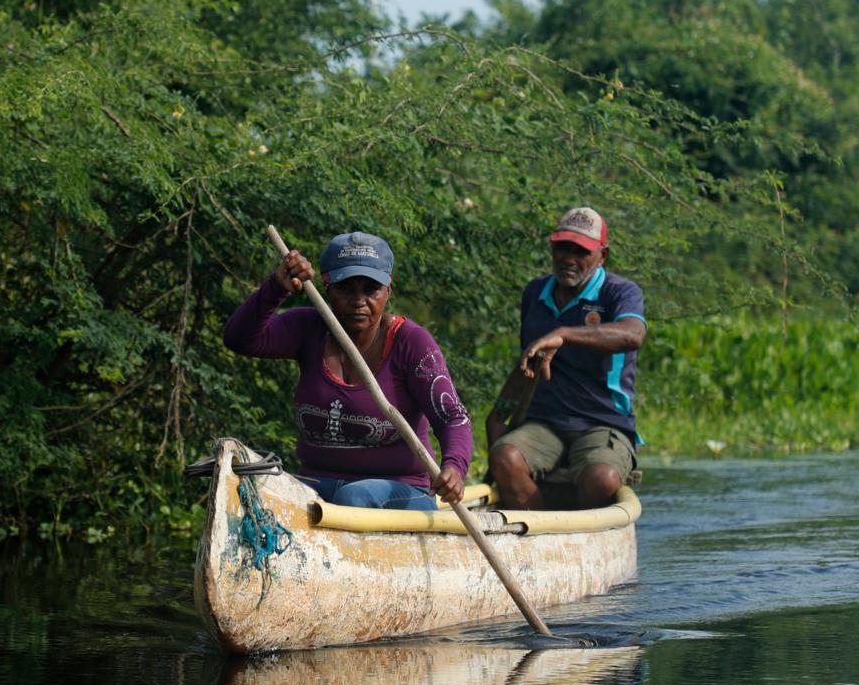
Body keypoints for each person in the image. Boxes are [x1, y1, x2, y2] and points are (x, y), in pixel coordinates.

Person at [224, 231, 472, 510]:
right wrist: (275, 288)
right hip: (317, 485)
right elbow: (238, 339)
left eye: (370, 290)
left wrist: (454, 467)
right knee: (253, 489)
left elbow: (452, 417)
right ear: (327, 288)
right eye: (346, 289)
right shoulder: (308, 329)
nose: (358, 301)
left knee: (354, 497)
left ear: (388, 290)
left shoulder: (410, 343)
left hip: (402, 490)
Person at [487, 206, 646, 510]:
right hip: (544, 421)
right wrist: (499, 413)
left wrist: (565, 334)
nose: (568, 258)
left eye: (581, 251)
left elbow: (632, 334)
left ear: (603, 256)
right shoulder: (535, 292)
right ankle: (541, 530)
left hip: (603, 421)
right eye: (562, 247)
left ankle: (580, 532)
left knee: (602, 478)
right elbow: (528, 362)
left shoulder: (620, 292)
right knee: (503, 458)